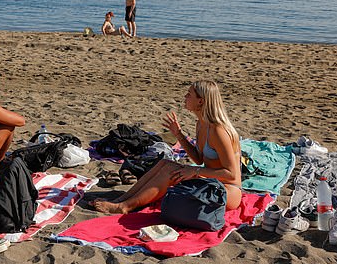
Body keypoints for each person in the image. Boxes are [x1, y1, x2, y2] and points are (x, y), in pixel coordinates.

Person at [92, 80, 242, 214]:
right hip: (212, 182)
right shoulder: (201, 124)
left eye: (189, 94)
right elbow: (198, 159)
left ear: (201, 101)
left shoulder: (218, 131)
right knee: (164, 163)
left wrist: (194, 171)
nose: (185, 97)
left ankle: (125, 206)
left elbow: (231, 174)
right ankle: (122, 199)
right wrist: (179, 134)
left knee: (170, 171)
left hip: (228, 191)